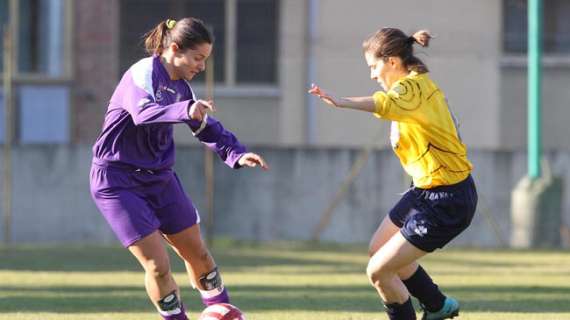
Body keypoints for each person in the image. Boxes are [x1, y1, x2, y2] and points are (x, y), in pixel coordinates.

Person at [89, 17, 268, 320]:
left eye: (205, 59)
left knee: (198, 254)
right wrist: (186, 109)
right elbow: (143, 113)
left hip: (160, 179)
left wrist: (236, 153)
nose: (201, 65)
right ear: (174, 49)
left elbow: (205, 127)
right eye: (198, 58)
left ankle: (222, 311)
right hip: (117, 181)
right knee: (158, 267)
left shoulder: (182, 88)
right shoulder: (142, 73)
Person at [309, 28, 477, 320]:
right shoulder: (413, 90)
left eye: (374, 67)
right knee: (379, 249)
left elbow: (382, 103)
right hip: (426, 191)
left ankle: (432, 307)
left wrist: (341, 100)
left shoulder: (411, 90)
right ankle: (437, 305)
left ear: (392, 62)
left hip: (447, 199)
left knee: (379, 271)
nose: (373, 75)